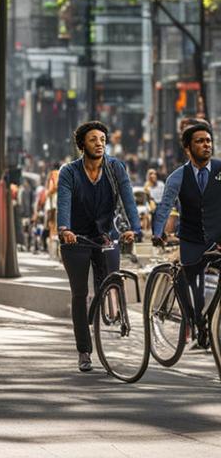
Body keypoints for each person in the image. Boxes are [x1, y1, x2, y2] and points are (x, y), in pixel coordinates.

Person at [56, 120, 140, 372]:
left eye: (102, 139)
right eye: (93, 139)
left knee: (111, 279)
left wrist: (134, 228)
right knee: (79, 294)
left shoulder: (115, 168)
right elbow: (64, 202)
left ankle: (111, 307)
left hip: (105, 235)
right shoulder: (69, 172)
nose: (99, 144)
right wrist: (64, 229)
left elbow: (128, 199)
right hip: (76, 238)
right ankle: (84, 351)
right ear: (82, 144)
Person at [152, 121, 221, 349]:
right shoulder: (178, 177)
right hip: (191, 238)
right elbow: (164, 206)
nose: (206, 145)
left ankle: (210, 322)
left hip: (216, 237)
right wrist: (158, 232)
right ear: (188, 148)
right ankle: (193, 319)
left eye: (208, 141)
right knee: (190, 282)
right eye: (200, 141)